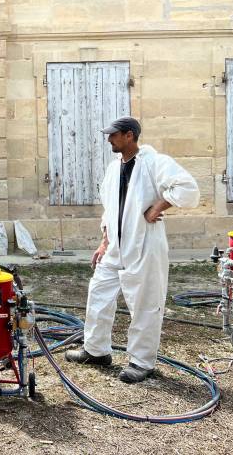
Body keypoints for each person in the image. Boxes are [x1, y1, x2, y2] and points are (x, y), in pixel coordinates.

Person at [65, 116, 200, 383]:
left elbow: (188, 188)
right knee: (99, 293)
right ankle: (96, 350)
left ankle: (141, 361)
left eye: (113, 135)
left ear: (129, 135)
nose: (108, 140)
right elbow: (109, 208)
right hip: (115, 246)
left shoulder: (155, 162)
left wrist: (158, 207)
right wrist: (104, 241)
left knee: (145, 303)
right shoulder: (114, 168)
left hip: (144, 245)